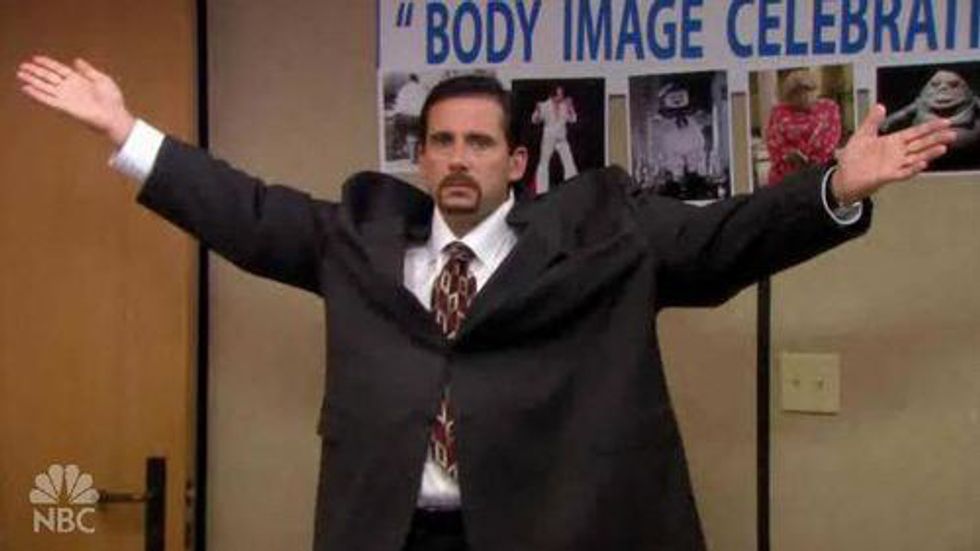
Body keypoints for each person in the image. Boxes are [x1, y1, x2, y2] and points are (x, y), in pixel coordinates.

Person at [16, 55, 953, 551]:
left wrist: (834, 186)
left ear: (516, 159)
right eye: (441, 142)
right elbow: (249, 212)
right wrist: (128, 133)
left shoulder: (601, 231)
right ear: (420, 158)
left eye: (479, 142)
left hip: (552, 529)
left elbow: (720, 243)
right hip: (393, 532)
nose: (458, 157)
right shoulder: (360, 235)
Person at [881, 68, 980, 171]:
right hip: (926, 152)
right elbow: (902, 114)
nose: (943, 88)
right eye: (935, 85)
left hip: (967, 149)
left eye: (953, 85)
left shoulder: (973, 101)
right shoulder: (920, 103)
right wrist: (887, 123)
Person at [765, 69, 843, 186]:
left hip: (820, 169)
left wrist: (809, 158)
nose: (803, 96)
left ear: (815, 90)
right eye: (797, 93)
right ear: (789, 96)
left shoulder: (829, 109)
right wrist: (789, 154)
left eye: (807, 90)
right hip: (787, 172)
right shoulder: (778, 113)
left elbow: (831, 138)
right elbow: (773, 141)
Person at [530, 85, 578, 194]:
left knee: (569, 162)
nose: (562, 96)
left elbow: (573, 119)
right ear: (553, 96)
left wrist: (571, 108)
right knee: (544, 163)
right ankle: (541, 191)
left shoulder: (565, 105)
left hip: (561, 138)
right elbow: (535, 120)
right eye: (559, 94)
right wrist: (537, 111)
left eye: (562, 94)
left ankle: (572, 187)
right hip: (549, 139)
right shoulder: (544, 105)